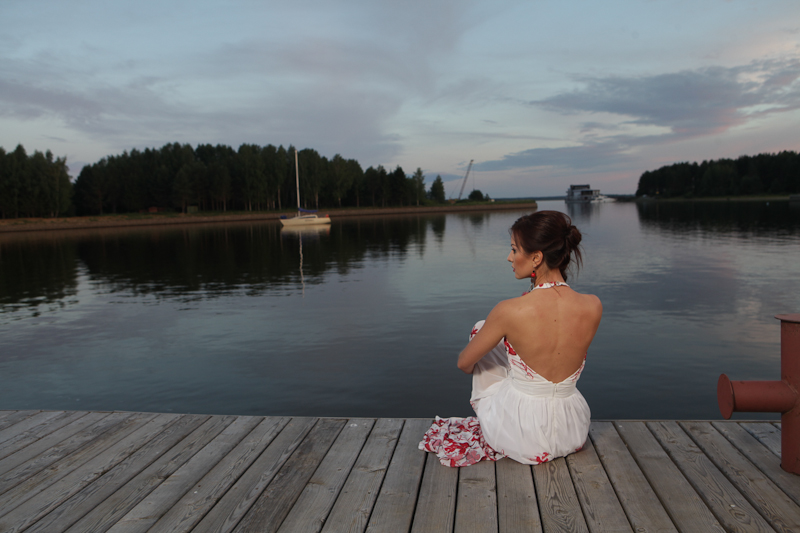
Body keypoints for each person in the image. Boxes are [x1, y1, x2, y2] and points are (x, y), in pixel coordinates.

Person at [419, 210, 602, 467]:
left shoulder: (509, 310)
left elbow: (464, 364)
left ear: (536, 257)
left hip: (522, 435)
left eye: (514, 250)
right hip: (573, 429)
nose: (509, 257)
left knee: (481, 329)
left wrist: (501, 369)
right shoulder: (593, 305)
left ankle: (509, 391)